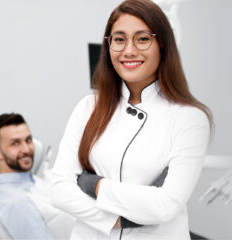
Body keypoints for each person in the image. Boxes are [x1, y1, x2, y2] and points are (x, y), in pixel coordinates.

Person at [51, 0, 212, 239]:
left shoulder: (190, 118)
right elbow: (59, 191)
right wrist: (116, 220)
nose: (128, 50)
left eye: (142, 39)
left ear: (163, 45)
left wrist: (93, 185)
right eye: (119, 39)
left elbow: (166, 204)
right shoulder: (87, 108)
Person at [0, 113, 53, 240]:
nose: (26, 149)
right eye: (15, 143)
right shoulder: (18, 203)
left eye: (28, 140)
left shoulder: (27, 182)